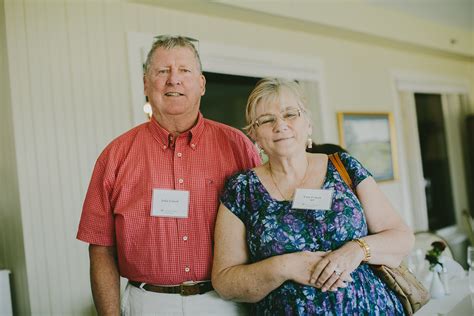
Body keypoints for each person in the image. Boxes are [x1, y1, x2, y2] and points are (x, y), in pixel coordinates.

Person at [76, 35, 260, 315]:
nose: (173, 80)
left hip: (224, 302)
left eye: (184, 70)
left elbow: (264, 228)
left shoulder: (238, 147)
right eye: (162, 71)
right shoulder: (115, 155)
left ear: (201, 84)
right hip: (145, 303)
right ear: (145, 84)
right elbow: (100, 249)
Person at [212, 78, 414, 315]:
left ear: (308, 124)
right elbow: (225, 282)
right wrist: (284, 266)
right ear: (254, 134)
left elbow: (402, 238)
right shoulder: (242, 189)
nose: (281, 125)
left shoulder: (343, 167)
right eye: (267, 120)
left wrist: (357, 249)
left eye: (290, 114)